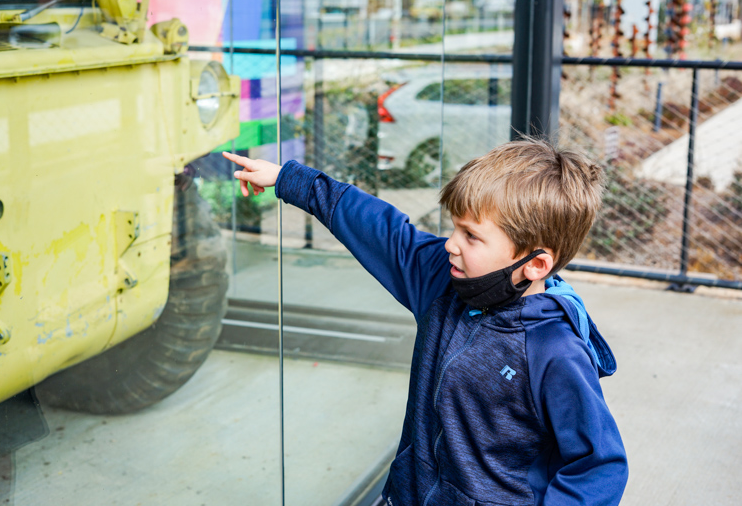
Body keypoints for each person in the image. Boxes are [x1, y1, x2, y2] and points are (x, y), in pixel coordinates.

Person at [222, 137, 628, 506]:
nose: (451, 243)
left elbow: (599, 467)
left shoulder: (554, 352)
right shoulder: (442, 280)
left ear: (535, 264)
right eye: (455, 227)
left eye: (471, 236)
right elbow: (381, 230)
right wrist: (291, 181)